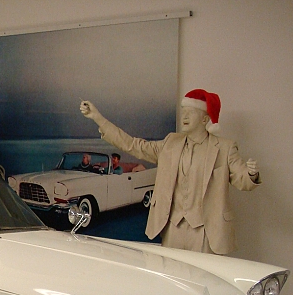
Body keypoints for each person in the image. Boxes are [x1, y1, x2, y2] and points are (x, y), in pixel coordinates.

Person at [80, 89, 260, 255]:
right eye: (183, 111)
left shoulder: (225, 148)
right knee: (172, 275)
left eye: (191, 112)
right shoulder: (170, 143)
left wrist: (251, 174)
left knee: (204, 278)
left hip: (206, 231)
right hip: (173, 228)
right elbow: (132, 145)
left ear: (205, 119)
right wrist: (98, 118)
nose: (184, 116)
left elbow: (242, 180)